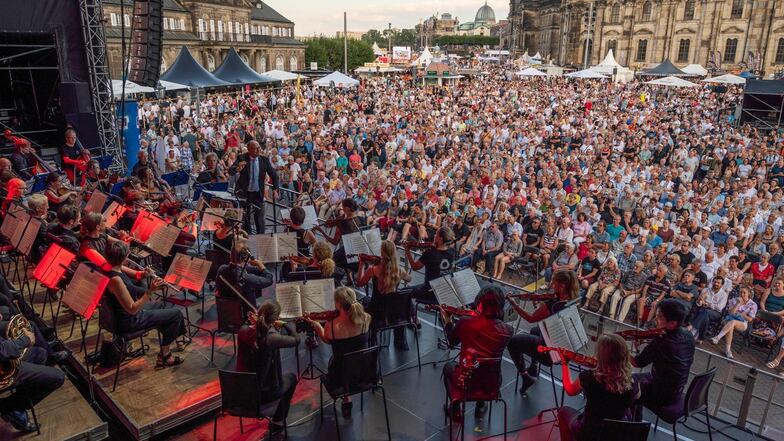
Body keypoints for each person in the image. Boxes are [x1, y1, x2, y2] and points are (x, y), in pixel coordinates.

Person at [103, 241, 186, 367]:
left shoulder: (110, 267)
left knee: (160, 305)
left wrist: (145, 274)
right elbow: (132, 309)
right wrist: (150, 291)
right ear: (124, 258)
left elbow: (136, 278)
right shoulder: (116, 280)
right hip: (129, 321)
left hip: (123, 316)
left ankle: (173, 338)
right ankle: (165, 355)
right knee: (176, 314)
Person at [441, 287, 513, 421]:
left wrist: (448, 321)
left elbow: (451, 342)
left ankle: (455, 408)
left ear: (480, 304)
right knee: (484, 371)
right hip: (493, 384)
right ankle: (481, 406)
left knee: (448, 367)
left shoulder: (465, 323)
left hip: (466, 381)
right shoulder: (508, 330)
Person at [506, 270, 580, 395]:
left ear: (561, 286)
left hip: (549, 352)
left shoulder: (552, 304)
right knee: (535, 330)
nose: (551, 286)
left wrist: (514, 304)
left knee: (513, 342)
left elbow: (530, 318)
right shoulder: (573, 300)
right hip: (565, 345)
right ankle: (534, 367)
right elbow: (549, 319)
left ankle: (525, 377)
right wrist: (539, 307)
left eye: (554, 283)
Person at [557, 334, 640, 441]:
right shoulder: (633, 382)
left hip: (590, 433)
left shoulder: (589, 377)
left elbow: (570, 390)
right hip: (616, 434)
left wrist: (564, 363)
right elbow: (638, 396)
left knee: (563, 412)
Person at [306, 287, 371, 418]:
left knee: (343, 365)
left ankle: (347, 399)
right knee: (350, 361)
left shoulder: (332, 325)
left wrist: (318, 326)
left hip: (339, 376)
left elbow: (327, 340)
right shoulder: (366, 318)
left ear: (339, 304)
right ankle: (348, 397)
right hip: (365, 371)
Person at [236, 300, 299, 433]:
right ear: (275, 319)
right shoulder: (271, 338)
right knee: (292, 378)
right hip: (262, 395)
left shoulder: (242, 331)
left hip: (240, 393)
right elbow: (296, 340)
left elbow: (253, 331)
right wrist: (285, 324)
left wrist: (252, 322)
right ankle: (278, 421)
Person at [633, 299, 695, 410]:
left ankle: (632, 421)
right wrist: (648, 341)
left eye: (660, 317)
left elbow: (637, 363)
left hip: (661, 394)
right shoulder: (687, 334)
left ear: (672, 323)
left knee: (626, 384)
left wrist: (620, 349)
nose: (656, 319)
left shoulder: (662, 342)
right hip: (677, 390)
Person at [0, 326, 65, 432]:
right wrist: (25, 340)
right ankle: (7, 407)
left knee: (40, 353)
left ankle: (16, 405)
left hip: (4, 358)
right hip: (3, 368)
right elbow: (2, 351)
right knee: (58, 378)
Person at [355, 240, 412, 349]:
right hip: (395, 313)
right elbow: (409, 279)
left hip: (378, 312)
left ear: (382, 253)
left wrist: (361, 264)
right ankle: (400, 341)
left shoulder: (373, 269)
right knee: (398, 301)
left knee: (365, 300)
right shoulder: (399, 271)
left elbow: (359, 282)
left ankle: (373, 340)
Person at [228, 140, 279, 234]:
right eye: (256, 148)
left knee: (259, 217)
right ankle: (248, 237)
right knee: (245, 216)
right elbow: (230, 171)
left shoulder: (264, 160)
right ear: (249, 149)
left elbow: (274, 174)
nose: (259, 150)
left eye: (259, 147)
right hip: (244, 193)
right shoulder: (242, 158)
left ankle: (260, 238)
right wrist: (237, 169)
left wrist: (275, 189)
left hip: (257, 193)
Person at [215, 242, 274, 315]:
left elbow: (242, 268)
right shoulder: (245, 278)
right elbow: (269, 279)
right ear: (245, 258)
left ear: (230, 255)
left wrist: (257, 266)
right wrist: (261, 266)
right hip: (246, 314)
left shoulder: (221, 269)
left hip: (226, 313)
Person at [405, 226, 456, 304]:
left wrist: (407, 251)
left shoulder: (430, 253)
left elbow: (414, 267)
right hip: (442, 290)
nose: (434, 235)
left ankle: (411, 314)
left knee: (402, 293)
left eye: (436, 234)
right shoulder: (452, 252)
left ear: (441, 239)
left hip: (428, 291)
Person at [710, 286, 757, 359]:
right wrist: (737, 304)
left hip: (742, 323)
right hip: (729, 319)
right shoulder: (734, 300)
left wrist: (741, 314)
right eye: (741, 292)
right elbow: (731, 313)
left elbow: (750, 319)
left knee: (732, 322)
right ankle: (728, 351)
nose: (742, 294)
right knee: (731, 324)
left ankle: (718, 337)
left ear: (749, 294)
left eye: (744, 292)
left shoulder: (753, 304)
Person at [687, 276, 728, 344]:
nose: (716, 284)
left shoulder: (724, 294)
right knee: (705, 317)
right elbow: (698, 303)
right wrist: (700, 300)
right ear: (712, 282)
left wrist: (707, 304)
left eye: (718, 283)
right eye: (715, 282)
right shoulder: (706, 290)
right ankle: (700, 338)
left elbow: (719, 308)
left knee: (705, 311)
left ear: (722, 285)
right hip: (703, 310)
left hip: (716, 313)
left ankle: (693, 327)